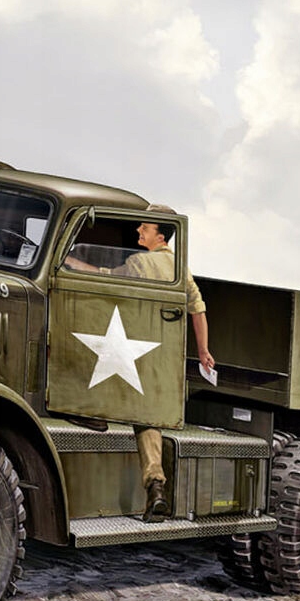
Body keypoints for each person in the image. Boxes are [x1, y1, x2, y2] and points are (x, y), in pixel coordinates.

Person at [119, 214, 214, 519]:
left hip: (128, 351)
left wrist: (73, 263)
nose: (138, 229)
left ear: (160, 236)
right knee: (148, 418)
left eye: (145, 227)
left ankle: (155, 486)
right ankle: (156, 487)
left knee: (139, 415)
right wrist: (203, 351)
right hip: (161, 358)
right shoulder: (180, 268)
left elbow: (107, 275)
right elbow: (197, 309)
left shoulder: (138, 262)